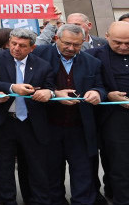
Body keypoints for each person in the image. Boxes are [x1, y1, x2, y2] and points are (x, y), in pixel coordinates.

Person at [30, 24, 104, 205]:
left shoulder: (92, 62)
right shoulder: (39, 55)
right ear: (57, 38)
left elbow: (101, 86)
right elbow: (29, 83)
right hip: (48, 125)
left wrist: (96, 92)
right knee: (52, 170)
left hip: (79, 127)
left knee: (83, 171)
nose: (71, 48)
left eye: (76, 45)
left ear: (83, 42)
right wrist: (55, 94)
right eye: (67, 43)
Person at [0, 28, 54, 205]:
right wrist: (11, 88)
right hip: (4, 121)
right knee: (4, 166)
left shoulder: (42, 65)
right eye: (13, 43)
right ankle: (7, 200)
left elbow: (50, 87)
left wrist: (49, 92)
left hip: (31, 122)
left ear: (32, 48)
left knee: (35, 165)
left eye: (22, 46)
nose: (16, 48)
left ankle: (37, 200)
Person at [89, 21, 129, 205]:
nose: (123, 47)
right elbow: (86, 84)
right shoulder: (93, 56)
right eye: (117, 42)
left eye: (128, 43)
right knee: (120, 163)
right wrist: (108, 94)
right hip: (113, 117)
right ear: (106, 37)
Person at [38, 12, 107, 50]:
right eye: (69, 25)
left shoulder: (104, 43)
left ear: (89, 25)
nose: (73, 28)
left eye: (77, 24)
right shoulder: (56, 45)